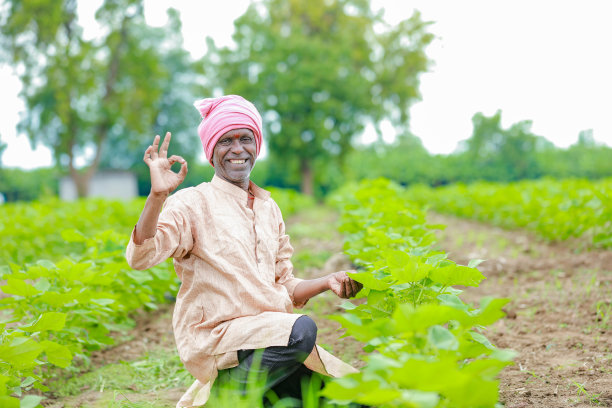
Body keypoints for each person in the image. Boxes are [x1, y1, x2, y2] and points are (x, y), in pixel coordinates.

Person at [125, 95, 363, 407]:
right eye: (225, 141)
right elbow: (141, 256)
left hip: (270, 341)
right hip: (220, 339)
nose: (237, 149)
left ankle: (247, 396)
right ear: (212, 153)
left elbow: (285, 284)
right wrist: (157, 196)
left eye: (245, 139)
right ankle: (226, 397)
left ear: (256, 146)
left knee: (352, 398)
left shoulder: (268, 207)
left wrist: (328, 281)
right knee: (302, 330)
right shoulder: (191, 203)